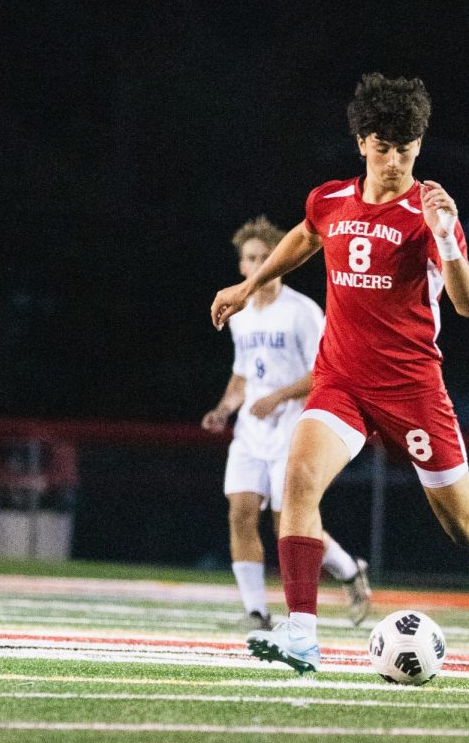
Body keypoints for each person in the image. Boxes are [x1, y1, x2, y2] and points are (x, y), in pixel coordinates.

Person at [212, 73, 469, 674]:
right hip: (341, 382)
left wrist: (449, 243)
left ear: (418, 148)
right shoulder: (330, 199)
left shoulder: (428, 212)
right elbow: (306, 235)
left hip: (412, 392)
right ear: (362, 143)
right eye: (383, 148)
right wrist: (249, 284)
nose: (394, 161)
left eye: (406, 150)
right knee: (298, 478)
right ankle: (302, 632)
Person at [204, 216, 371, 631]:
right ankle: (257, 612)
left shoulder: (301, 312)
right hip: (250, 433)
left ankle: (349, 568)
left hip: (293, 429)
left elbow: (326, 370)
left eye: (266, 257)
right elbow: (243, 375)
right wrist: (225, 407)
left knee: (288, 524)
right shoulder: (240, 315)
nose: (258, 264)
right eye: (251, 258)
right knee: (240, 513)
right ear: (242, 266)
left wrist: (278, 396)